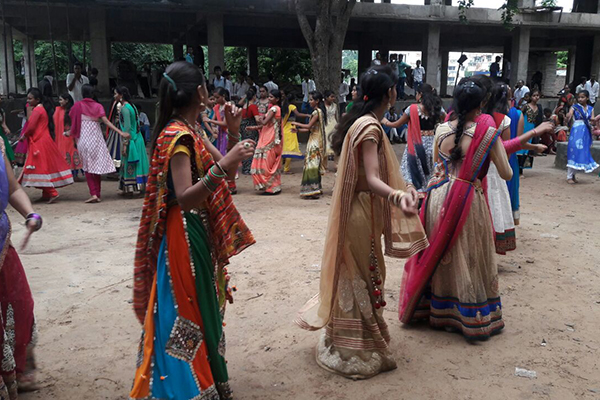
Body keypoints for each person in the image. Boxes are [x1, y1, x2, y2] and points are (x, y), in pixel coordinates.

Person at [129, 61, 256, 400]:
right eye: (207, 88)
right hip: (184, 232)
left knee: (203, 303)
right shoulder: (179, 136)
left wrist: (233, 132)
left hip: (196, 230)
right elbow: (185, 198)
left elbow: (226, 172)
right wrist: (225, 163)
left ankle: (207, 377)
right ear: (200, 92)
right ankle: (187, 383)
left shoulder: (192, 128)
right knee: (187, 305)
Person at [295, 65, 428, 379]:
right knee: (363, 274)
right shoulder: (370, 128)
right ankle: (355, 345)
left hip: (359, 209)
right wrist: (397, 196)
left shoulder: (362, 122)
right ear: (391, 93)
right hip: (360, 212)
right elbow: (371, 178)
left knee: (359, 273)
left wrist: (404, 188)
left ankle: (348, 336)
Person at [399, 77, 513, 340]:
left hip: (439, 196)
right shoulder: (488, 133)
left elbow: (436, 166)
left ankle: (440, 310)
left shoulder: (441, 130)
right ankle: (467, 313)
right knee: (468, 254)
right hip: (468, 199)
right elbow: (506, 173)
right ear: (481, 104)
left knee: (443, 253)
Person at [0, 134, 44, 399]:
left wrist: (31, 215)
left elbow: (13, 188)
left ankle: (17, 371)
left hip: (2, 245)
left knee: (20, 304)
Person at [484, 82, 550, 254]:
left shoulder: (481, 116)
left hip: (481, 166)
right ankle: (496, 235)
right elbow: (506, 148)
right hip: (499, 163)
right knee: (498, 198)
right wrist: (535, 143)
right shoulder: (511, 117)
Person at [382, 83, 444, 197]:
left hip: (416, 145)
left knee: (412, 171)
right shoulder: (437, 108)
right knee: (430, 170)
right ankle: (429, 194)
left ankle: (416, 194)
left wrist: (385, 122)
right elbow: (446, 120)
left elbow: (396, 124)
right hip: (432, 145)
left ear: (420, 95)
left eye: (416, 93)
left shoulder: (412, 109)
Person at [68, 84, 123, 203]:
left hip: (83, 138)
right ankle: (97, 193)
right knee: (96, 166)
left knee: (87, 167)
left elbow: (72, 118)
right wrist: (120, 132)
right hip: (96, 138)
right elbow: (106, 121)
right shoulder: (98, 106)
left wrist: (69, 133)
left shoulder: (77, 105)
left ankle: (93, 193)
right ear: (93, 94)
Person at [20, 88, 73, 203]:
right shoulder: (41, 109)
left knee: (39, 168)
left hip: (39, 142)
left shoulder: (37, 110)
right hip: (44, 140)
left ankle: (52, 192)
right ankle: (46, 193)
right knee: (45, 166)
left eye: (30, 98)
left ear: (37, 99)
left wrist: (24, 136)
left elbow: (31, 126)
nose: (28, 101)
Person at [292, 91, 327, 199]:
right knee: (313, 164)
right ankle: (315, 188)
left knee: (312, 164)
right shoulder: (319, 112)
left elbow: (308, 126)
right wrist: (298, 130)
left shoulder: (316, 112)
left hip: (315, 141)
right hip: (315, 139)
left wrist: (297, 123)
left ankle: (313, 189)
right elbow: (310, 129)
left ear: (317, 101)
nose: (309, 101)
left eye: (311, 99)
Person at [117, 87, 149, 195]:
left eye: (115, 94)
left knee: (129, 164)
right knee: (139, 165)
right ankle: (141, 187)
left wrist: (125, 145)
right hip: (138, 138)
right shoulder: (132, 106)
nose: (114, 96)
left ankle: (129, 188)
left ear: (121, 95)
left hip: (131, 140)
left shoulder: (125, 109)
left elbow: (127, 128)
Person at [251, 89, 283, 194]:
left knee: (266, 161)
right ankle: (272, 186)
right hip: (269, 135)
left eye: (271, 97)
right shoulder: (276, 108)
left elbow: (264, 122)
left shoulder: (274, 109)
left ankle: (268, 186)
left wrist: (259, 117)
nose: (269, 98)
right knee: (269, 160)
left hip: (269, 137)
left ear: (277, 99)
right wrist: (254, 127)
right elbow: (267, 124)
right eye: (269, 96)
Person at [565, 90, 599, 184]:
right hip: (576, 130)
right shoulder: (574, 107)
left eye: (582, 97)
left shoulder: (590, 108)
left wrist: (595, 120)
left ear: (587, 98)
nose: (580, 99)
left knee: (581, 152)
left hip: (586, 131)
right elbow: (569, 115)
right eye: (579, 97)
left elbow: (592, 119)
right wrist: (568, 116)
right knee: (574, 150)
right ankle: (569, 176)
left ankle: (573, 175)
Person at [54, 93, 83, 177]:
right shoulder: (58, 110)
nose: (59, 102)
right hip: (62, 136)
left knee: (72, 152)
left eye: (61, 100)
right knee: (65, 153)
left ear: (66, 100)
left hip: (71, 136)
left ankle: (74, 174)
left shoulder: (72, 110)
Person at [281, 92, 309, 173]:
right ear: (293, 100)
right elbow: (298, 114)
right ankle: (286, 168)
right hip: (291, 127)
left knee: (283, 149)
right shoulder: (292, 107)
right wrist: (307, 115)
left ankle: (279, 168)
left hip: (284, 128)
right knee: (290, 150)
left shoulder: (284, 106)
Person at [518, 89, 543, 171]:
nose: (536, 97)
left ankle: (522, 167)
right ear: (531, 97)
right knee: (521, 147)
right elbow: (519, 115)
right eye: (534, 95)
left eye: (537, 95)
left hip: (532, 128)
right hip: (524, 127)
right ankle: (519, 169)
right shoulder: (526, 106)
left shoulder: (539, 107)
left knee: (527, 149)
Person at [239, 88, 260, 175]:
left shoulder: (244, 106)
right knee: (252, 146)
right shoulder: (253, 106)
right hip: (251, 128)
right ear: (254, 96)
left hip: (243, 128)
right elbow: (257, 119)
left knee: (246, 146)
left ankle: (245, 167)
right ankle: (250, 167)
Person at [106, 89, 124, 170]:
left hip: (120, 127)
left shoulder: (120, 104)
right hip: (116, 127)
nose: (114, 96)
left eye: (116, 94)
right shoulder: (116, 103)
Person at [323, 90, 339, 161]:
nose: (333, 98)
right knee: (326, 138)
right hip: (325, 124)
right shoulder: (322, 106)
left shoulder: (335, 105)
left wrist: (338, 124)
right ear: (326, 98)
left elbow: (336, 116)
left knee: (333, 139)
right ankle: (327, 154)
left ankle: (333, 154)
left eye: (334, 97)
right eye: (331, 97)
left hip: (333, 124)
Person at [0, 98, 14, 163]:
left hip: (1, 131)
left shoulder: (2, 111)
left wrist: (6, 128)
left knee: (5, 145)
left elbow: (3, 123)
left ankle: (9, 162)